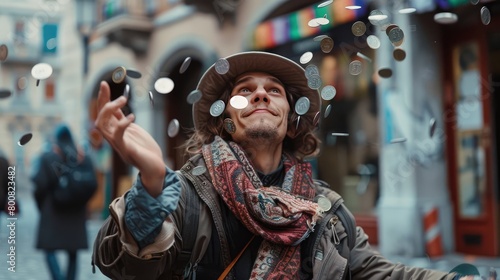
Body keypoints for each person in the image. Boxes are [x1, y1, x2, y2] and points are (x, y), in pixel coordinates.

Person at [92, 51, 471, 279]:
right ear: (226, 120)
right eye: (244, 92)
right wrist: (153, 186)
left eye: (274, 91)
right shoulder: (187, 196)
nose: (259, 94)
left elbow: (379, 274)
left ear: (291, 120)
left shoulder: (328, 213)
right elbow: (121, 268)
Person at [31, 124, 92, 280]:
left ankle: (58, 277)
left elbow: (39, 186)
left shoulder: (49, 157)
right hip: (75, 213)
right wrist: (81, 200)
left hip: (52, 212)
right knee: (73, 252)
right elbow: (92, 184)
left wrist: (41, 206)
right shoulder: (81, 156)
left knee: (49, 249)